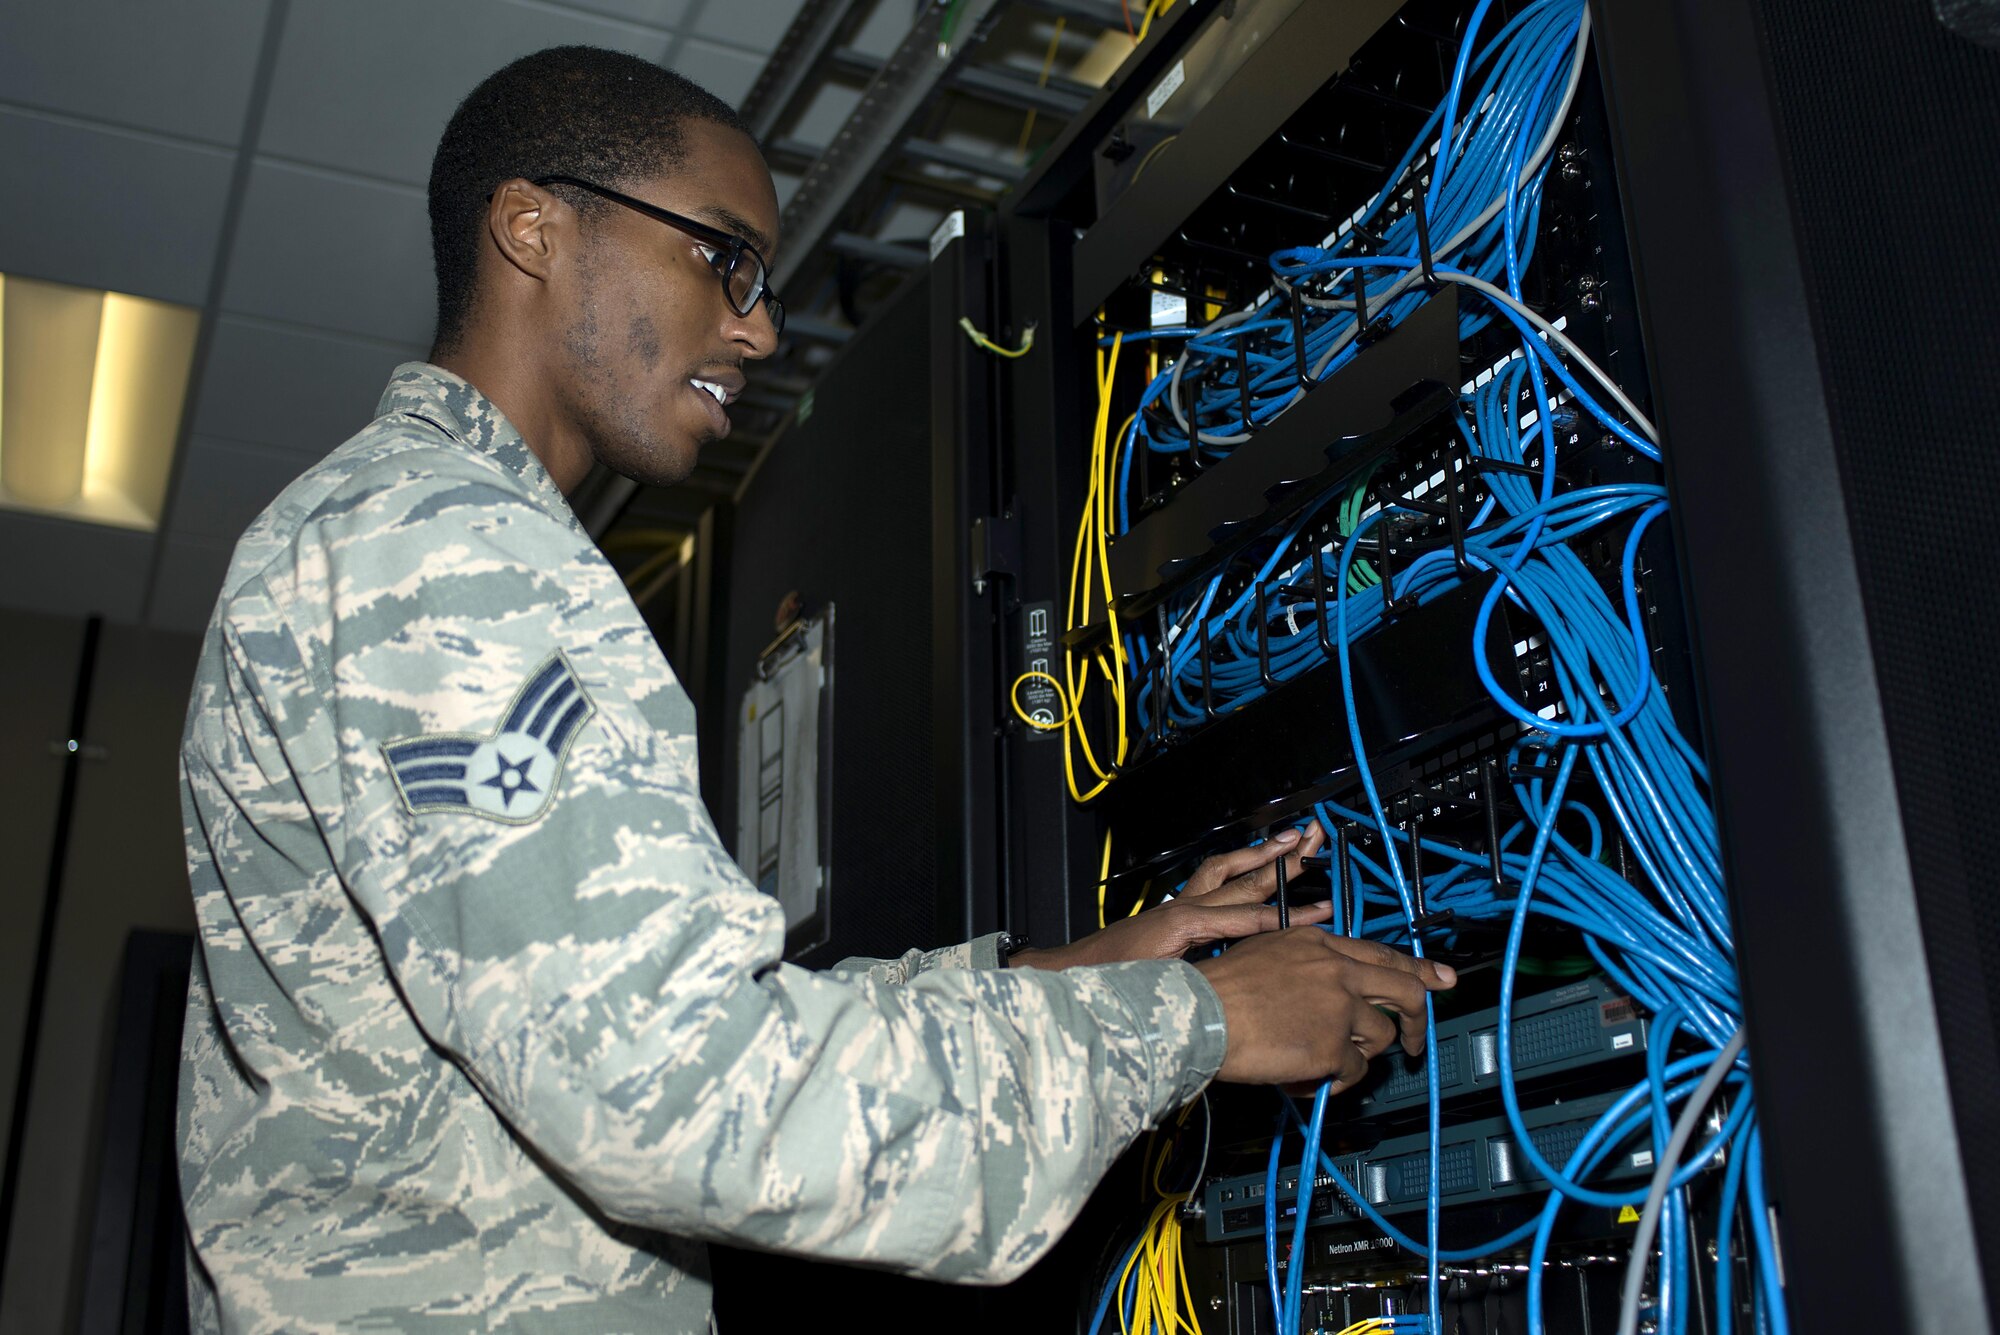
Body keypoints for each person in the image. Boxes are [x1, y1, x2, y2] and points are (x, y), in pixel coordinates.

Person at [176, 46, 1454, 1333]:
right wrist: (1187, 1024)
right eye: (721, 256)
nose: (760, 327)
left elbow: (673, 1025)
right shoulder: (439, 544)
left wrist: (1086, 975)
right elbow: (677, 1094)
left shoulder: (417, 534)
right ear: (532, 229)